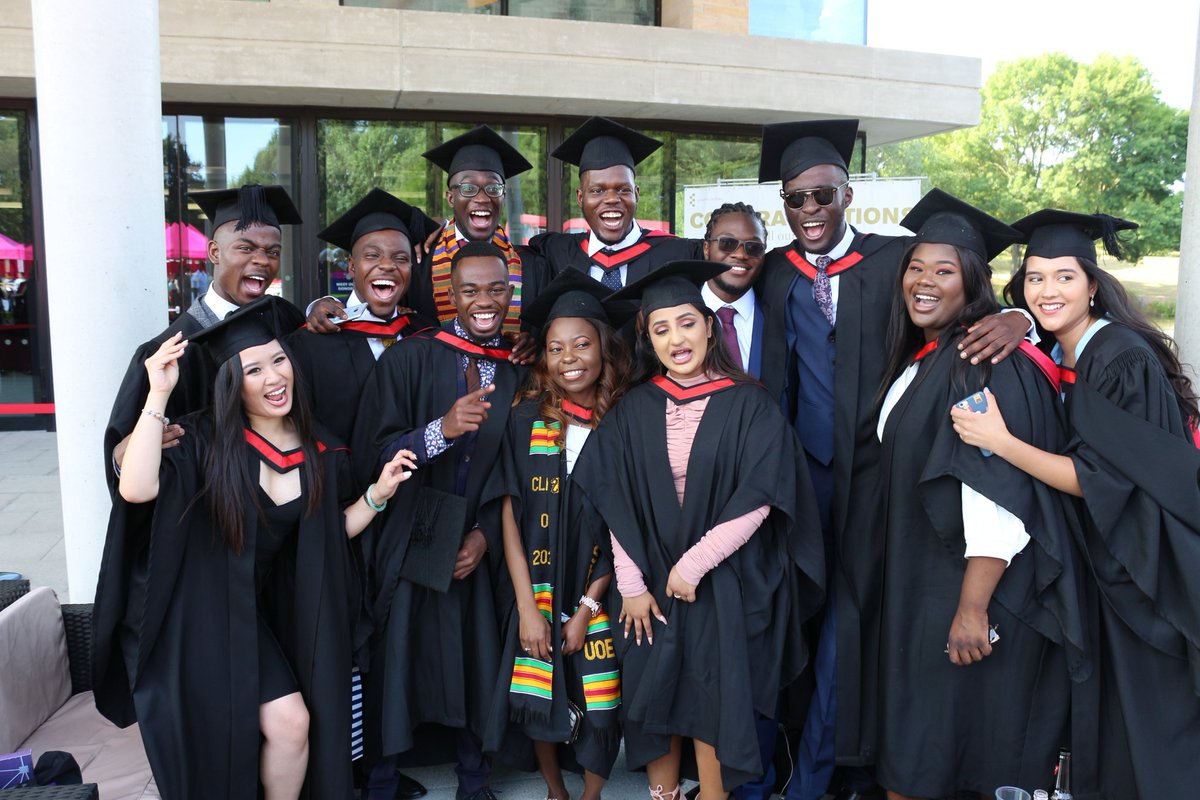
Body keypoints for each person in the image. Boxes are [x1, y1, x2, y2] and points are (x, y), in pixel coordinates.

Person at [754, 121, 1033, 800]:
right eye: (797, 199)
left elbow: (963, 288)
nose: (811, 210)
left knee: (860, 620)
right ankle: (794, 763)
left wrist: (1019, 315)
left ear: (848, 194)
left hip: (879, 478)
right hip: (803, 474)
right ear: (783, 204)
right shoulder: (770, 272)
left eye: (824, 195)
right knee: (802, 618)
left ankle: (836, 770)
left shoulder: (895, 258)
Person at [92, 295, 418, 800]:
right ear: (230, 382)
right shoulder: (203, 438)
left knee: (291, 726)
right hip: (191, 618)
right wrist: (157, 396)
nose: (274, 378)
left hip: (252, 616)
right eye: (254, 369)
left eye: (280, 360)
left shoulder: (320, 450)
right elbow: (135, 489)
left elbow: (326, 536)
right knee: (224, 743)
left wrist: (378, 494)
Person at [951, 209, 1200, 799]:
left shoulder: (1117, 358)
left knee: (1153, 714)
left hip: (1146, 566)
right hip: (1106, 559)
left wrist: (1001, 444)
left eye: (1064, 276)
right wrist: (1013, 318)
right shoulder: (1062, 351)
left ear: (1093, 283)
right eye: (1034, 279)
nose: (1048, 291)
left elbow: (1102, 480)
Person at [574, 260, 824, 800]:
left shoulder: (749, 403)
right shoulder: (632, 408)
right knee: (654, 697)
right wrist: (632, 584)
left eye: (686, 323)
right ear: (648, 339)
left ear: (710, 326)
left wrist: (694, 564)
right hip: (647, 586)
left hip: (721, 583)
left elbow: (762, 496)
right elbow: (614, 500)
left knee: (715, 703)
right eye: (660, 329)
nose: (676, 339)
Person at [873, 191, 1087, 798]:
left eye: (944, 271)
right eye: (916, 267)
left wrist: (972, 608)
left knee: (951, 753)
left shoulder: (982, 359)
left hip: (968, 592)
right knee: (927, 749)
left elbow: (994, 490)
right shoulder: (933, 355)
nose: (924, 281)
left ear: (973, 281)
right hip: (926, 582)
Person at [352, 240, 522, 800]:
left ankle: (474, 781)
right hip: (413, 533)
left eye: (496, 289)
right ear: (449, 295)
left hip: (480, 535)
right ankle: (380, 782)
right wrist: (440, 430)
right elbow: (371, 453)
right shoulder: (411, 358)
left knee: (479, 659)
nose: (485, 301)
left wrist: (487, 537)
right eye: (470, 289)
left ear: (510, 293)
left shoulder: (522, 372)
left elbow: (531, 475)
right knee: (397, 661)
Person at [481, 269, 632, 800]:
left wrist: (590, 606)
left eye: (582, 345)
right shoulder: (525, 416)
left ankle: (590, 794)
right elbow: (508, 510)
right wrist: (527, 607)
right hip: (536, 583)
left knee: (601, 697)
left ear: (605, 349)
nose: (569, 358)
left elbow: (632, 524)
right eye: (555, 347)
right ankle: (555, 790)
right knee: (537, 681)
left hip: (601, 586)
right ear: (542, 356)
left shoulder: (624, 421)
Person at [105, 184, 302, 489]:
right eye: (246, 248)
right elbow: (124, 462)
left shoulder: (286, 319)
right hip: (206, 516)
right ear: (214, 252)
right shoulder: (167, 352)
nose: (262, 260)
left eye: (272, 252)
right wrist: (122, 458)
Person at [307, 126, 532, 339]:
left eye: (493, 188)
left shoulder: (530, 264)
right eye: (468, 188)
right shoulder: (419, 255)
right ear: (451, 198)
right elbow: (377, 300)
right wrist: (325, 304)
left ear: (503, 197)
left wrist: (531, 341)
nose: (482, 198)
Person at [288, 188, 440, 445]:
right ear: (351, 266)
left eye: (400, 258)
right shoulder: (310, 343)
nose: (388, 265)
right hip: (342, 481)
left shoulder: (426, 333)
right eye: (372, 255)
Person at [521, 117, 701, 294]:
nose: (612, 199)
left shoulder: (676, 253)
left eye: (623, 189)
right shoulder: (556, 251)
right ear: (580, 197)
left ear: (636, 194)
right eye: (597, 191)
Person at [700, 202, 768, 381]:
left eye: (753, 247)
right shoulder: (679, 313)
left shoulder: (779, 318)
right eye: (727, 243)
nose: (740, 254)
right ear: (706, 249)